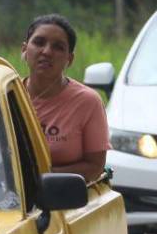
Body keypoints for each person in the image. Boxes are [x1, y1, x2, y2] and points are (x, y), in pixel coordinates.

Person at [22, 14, 109, 183]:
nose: (46, 51)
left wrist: (43, 178)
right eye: (39, 42)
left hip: (68, 201)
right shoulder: (7, 96)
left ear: (69, 59)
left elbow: (95, 167)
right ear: (25, 50)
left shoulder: (88, 102)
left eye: (58, 47)